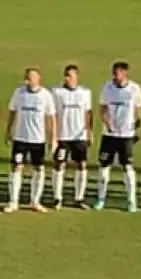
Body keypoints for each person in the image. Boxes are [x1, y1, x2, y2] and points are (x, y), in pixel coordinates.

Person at [3, 68, 55, 214]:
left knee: (38, 168)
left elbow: (51, 118)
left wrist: (53, 138)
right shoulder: (19, 93)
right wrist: (8, 131)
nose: (27, 80)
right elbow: (12, 112)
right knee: (16, 167)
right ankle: (13, 201)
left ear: (38, 79)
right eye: (26, 77)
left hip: (37, 139)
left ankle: (35, 201)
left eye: (30, 77)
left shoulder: (45, 96)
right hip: (20, 138)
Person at [97, 62, 141, 212]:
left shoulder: (134, 89)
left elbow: (138, 109)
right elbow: (103, 107)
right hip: (109, 134)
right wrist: (107, 123)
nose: (114, 76)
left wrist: (137, 128)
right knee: (104, 167)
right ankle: (100, 198)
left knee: (128, 167)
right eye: (113, 73)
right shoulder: (107, 87)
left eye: (116, 73)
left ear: (124, 74)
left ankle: (131, 200)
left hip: (126, 135)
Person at [50, 65, 93, 210]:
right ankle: (57, 197)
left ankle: (79, 198)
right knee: (59, 164)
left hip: (79, 136)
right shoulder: (57, 92)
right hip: (63, 136)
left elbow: (88, 113)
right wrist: (54, 135)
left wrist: (89, 132)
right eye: (66, 75)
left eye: (71, 75)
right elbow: (53, 114)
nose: (68, 78)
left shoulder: (85, 93)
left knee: (81, 164)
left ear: (77, 77)